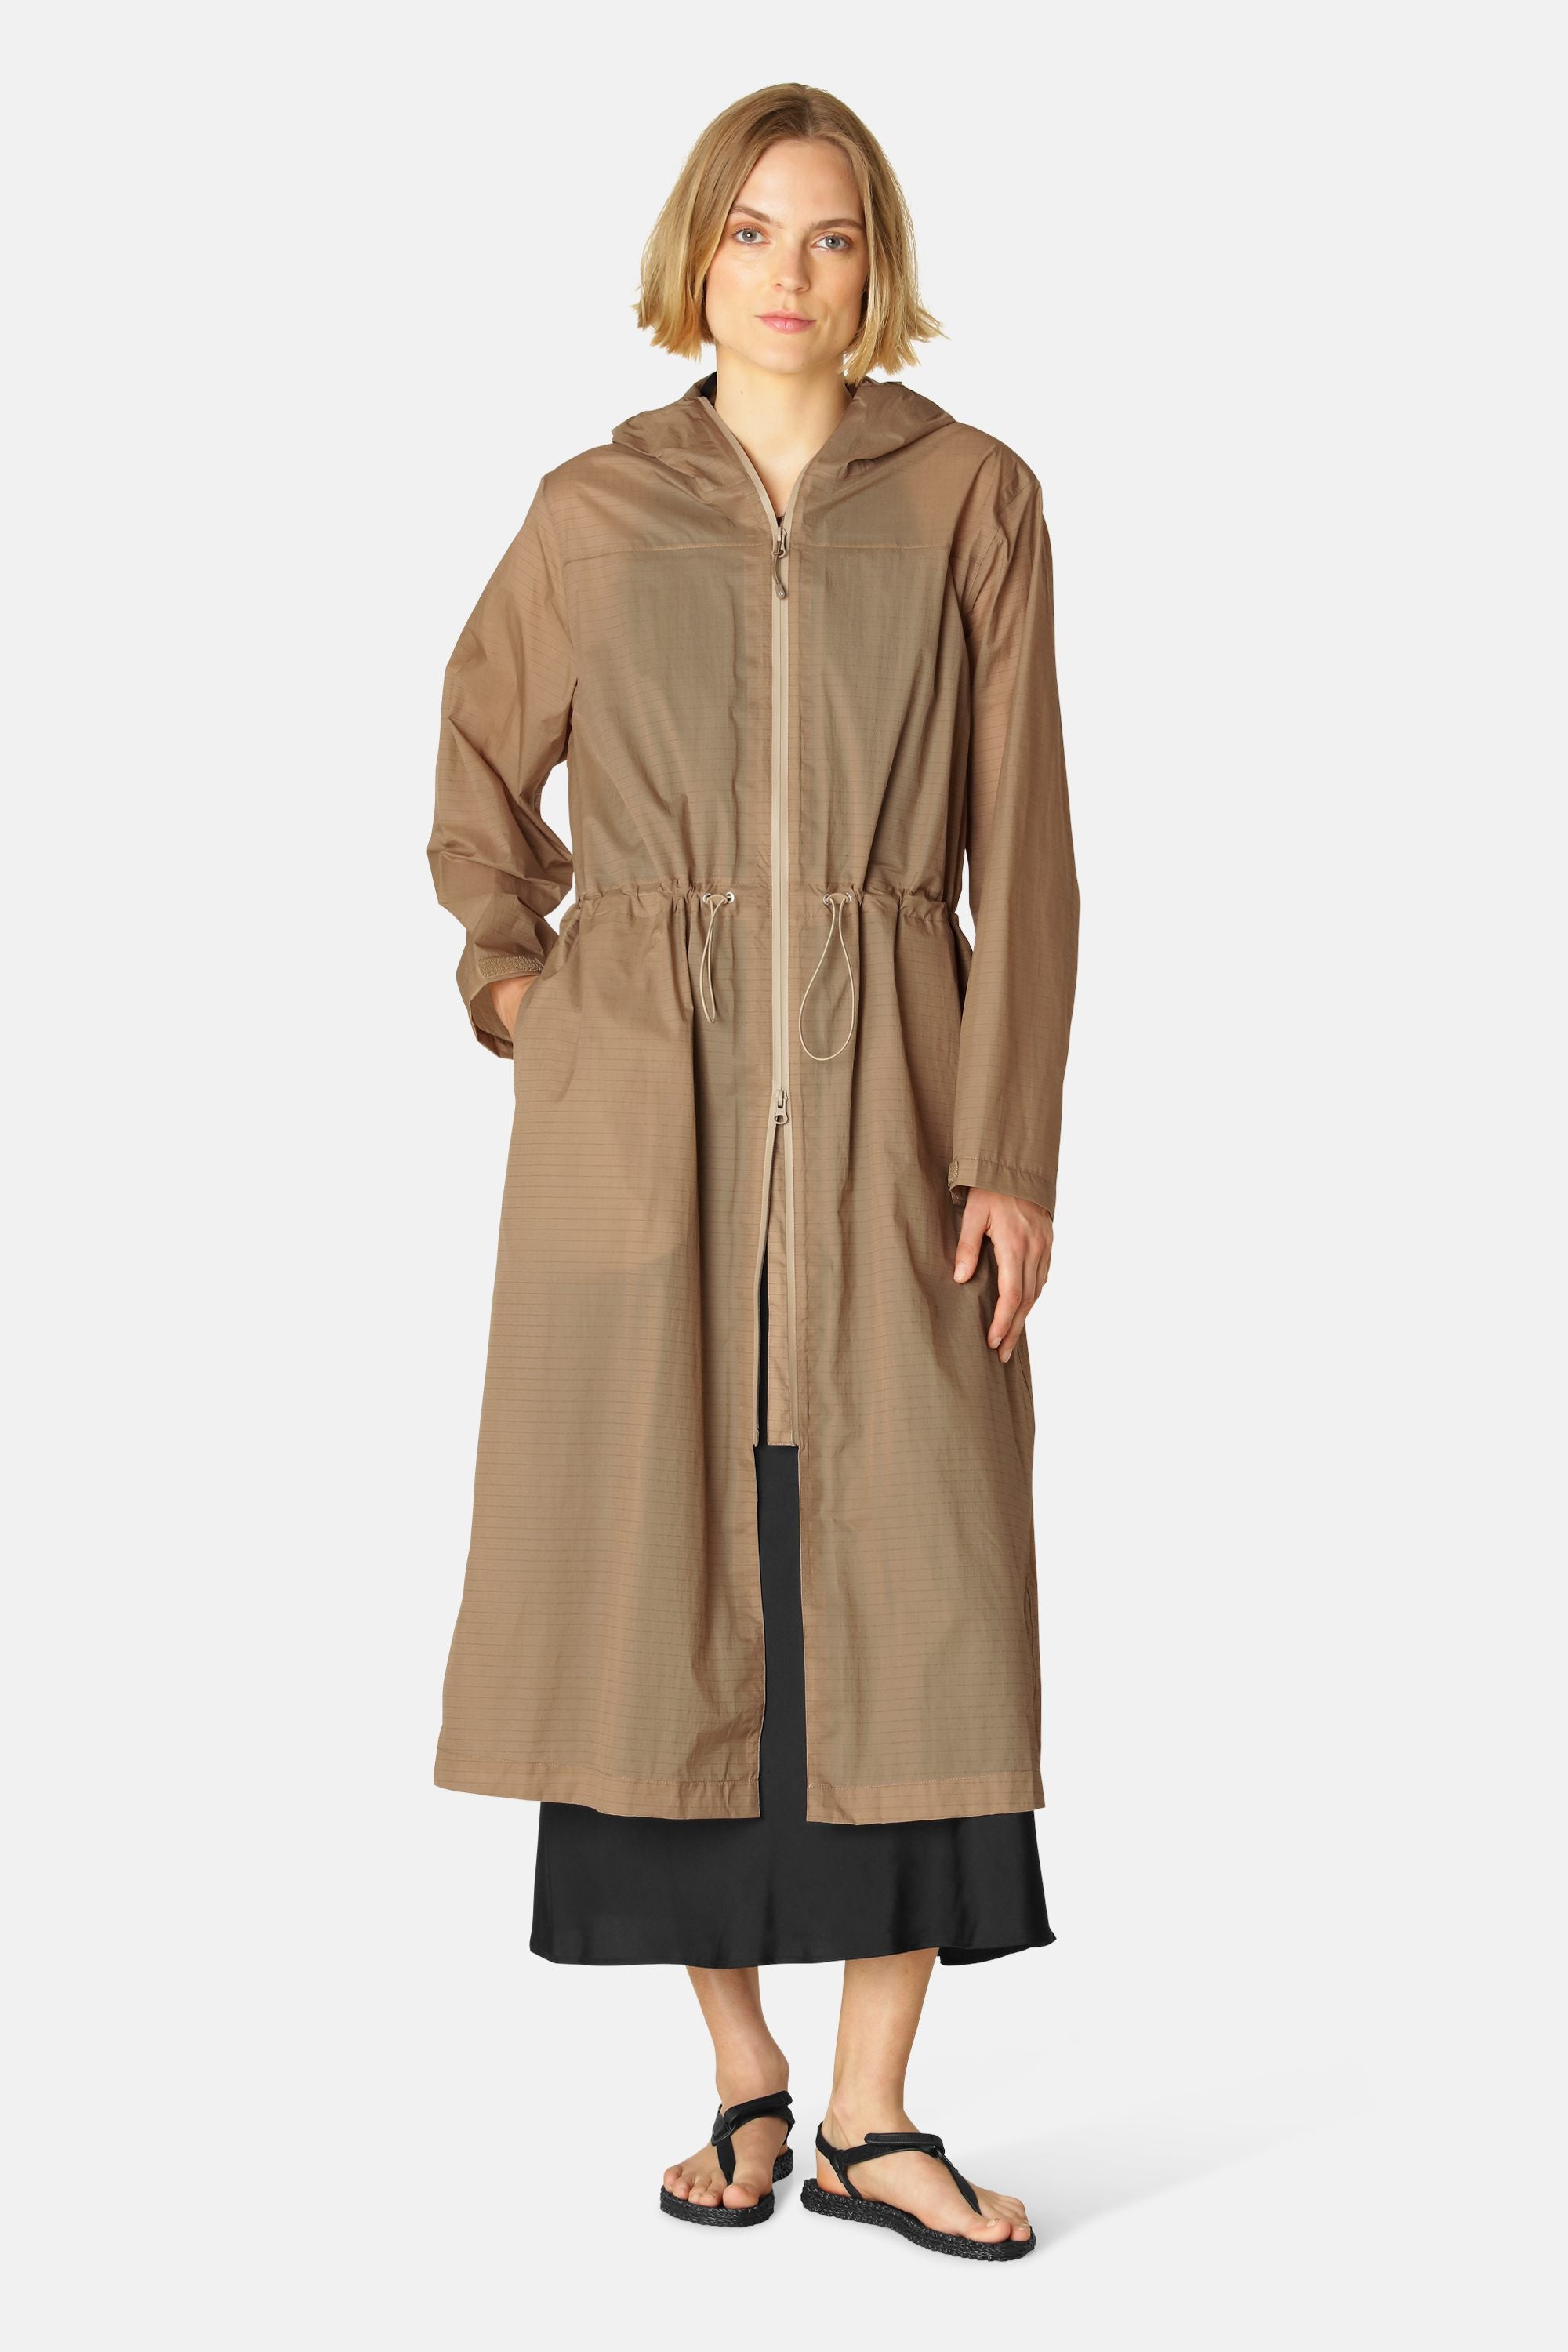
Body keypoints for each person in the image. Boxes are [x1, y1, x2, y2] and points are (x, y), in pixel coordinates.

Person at [426, 83, 1078, 2263]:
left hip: (898, 1101)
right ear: (692, 256)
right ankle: (745, 2077)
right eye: (750, 231)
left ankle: (878, 2116)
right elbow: (474, 767)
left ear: (876, 267)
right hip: (650, 1125)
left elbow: (1027, 843)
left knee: (917, 1581)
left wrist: (1008, 1146)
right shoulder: (597, 508)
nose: (789, 275)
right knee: (659, 1585)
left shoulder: (972, 498)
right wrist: (526, 987)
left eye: (831, 235)